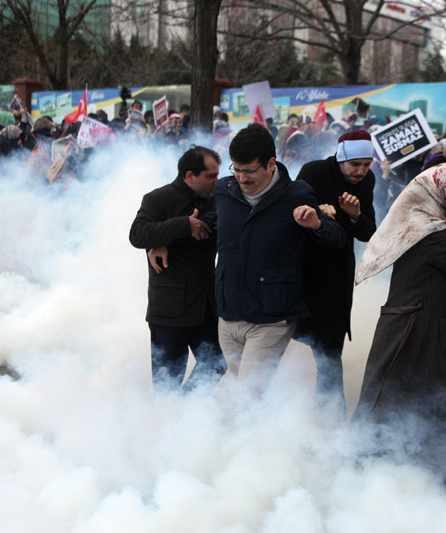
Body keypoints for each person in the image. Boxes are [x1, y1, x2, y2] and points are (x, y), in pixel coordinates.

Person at [353, 163, 446, 494]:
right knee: (388, 408)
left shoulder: (433, 224)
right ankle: (364, 478)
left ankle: (438, 478)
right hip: (415, 330)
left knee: (441, 405)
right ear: (443, 193)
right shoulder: (430, 231)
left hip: (426, 326)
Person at [214, 124, 345, 391]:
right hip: (229, 312)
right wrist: (173, 235)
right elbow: (210, 223)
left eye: (249, 170)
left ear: (271, 164)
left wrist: (316, 225)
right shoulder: (223, 191)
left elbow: (337, 239)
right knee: (236, 385)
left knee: (250, 393)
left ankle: (262, 433)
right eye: (236, 169)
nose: (241, 177)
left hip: (270, 315)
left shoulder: (297, 194)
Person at [129, 145, 227, 390]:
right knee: (166, 383)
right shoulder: (158, 199)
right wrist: (183, 226)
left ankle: (187, 411)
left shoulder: (218, 199)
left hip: (206, 306)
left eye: (217, 175)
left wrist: (165, 239)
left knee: (217, 363)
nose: (216, 181)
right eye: (210, 177)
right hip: (169, 311)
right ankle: (167, 422)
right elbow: (138, 234)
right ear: (190, 176)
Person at [294, 131, 377, 406]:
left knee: (330, 351)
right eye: (355, 165)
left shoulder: (367, 181)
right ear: (341, 159)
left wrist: (354, 216)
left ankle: (330, 414)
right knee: (284, 341)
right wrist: (316, 212)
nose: (361, 172)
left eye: (367, 165)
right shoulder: (313, 172)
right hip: (302, 269)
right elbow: (290, 213)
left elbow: (368, 233)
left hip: (337, 274)